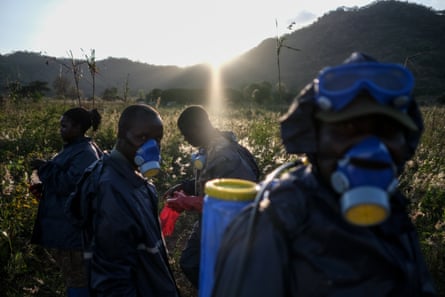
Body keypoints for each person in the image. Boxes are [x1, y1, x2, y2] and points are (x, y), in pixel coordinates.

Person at [211, 52, 437, 297]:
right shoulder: (274, 220)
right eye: (347, 128)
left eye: (386, 130)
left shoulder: (392, 210)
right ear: (314, 139)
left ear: (405, 142)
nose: (370, 149)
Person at [65, 104, 180, 297]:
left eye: (157, 140)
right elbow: (113, 276)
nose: (152, 147)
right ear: (121, 134)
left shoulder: (133, 178)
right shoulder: (111, 189)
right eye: (142, 138)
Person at [163, 105, 260, 288]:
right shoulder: (213, 147)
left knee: (201, 263)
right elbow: (213, 181)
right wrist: (186, 187)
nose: (185, 138)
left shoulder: (224, 153)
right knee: (191, 261)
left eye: (186, 133)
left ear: (197, 127)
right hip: (212, 219)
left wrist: (188, 202)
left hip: (230, 224)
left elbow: (234, 198)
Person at [30, 107, 102, 297]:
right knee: (74, 276)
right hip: (66, 227)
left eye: (64, 126)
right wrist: (44, 184)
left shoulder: (85, 152)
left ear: (78, 127)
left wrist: (43, 168)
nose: (60, 129)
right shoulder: (76, 149)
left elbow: (71, 184)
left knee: (77, 278)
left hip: (72, 231)